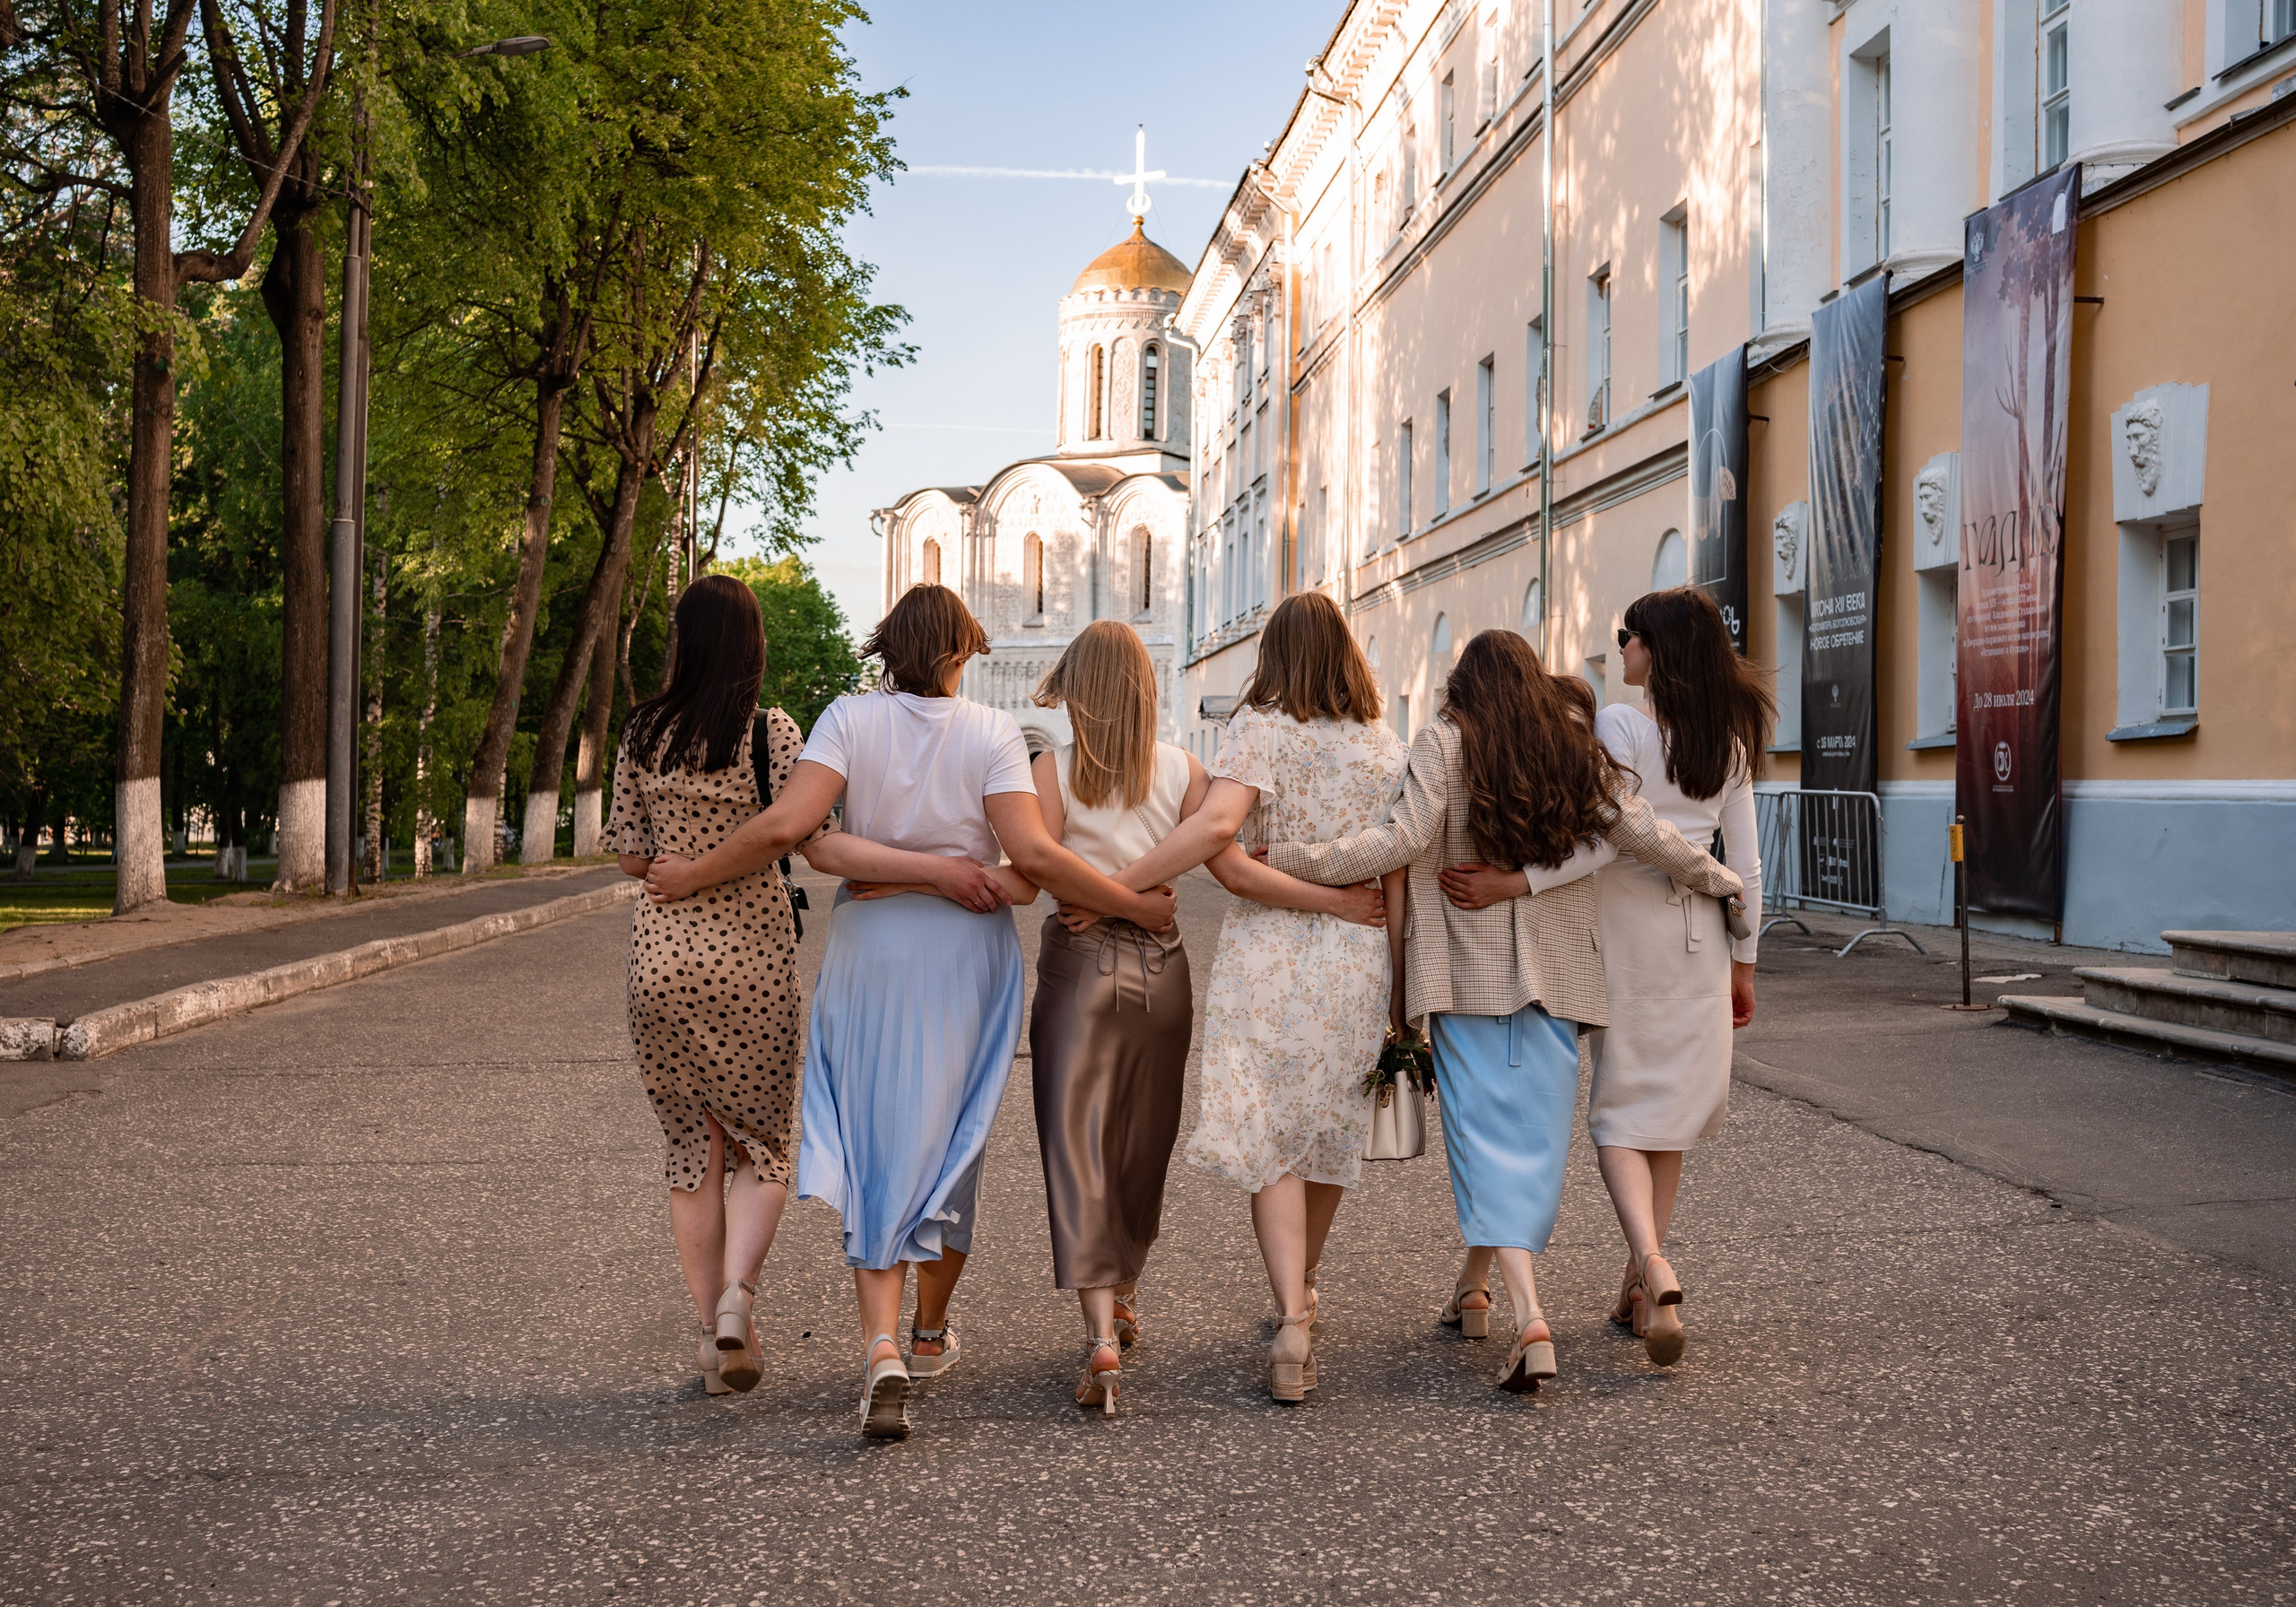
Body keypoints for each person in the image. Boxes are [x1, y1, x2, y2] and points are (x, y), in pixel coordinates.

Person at [642, 583, 1177, 1440]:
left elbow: (809, 839)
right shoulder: (995, 733)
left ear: (885, 647)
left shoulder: (847, 719)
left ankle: (882, 1344)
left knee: (879, 1143)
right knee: (950, 1145)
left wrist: (897, 872)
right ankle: (926, 1333)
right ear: (961, 653)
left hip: (873, 953)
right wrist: (976, 877)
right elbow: (1028, 866)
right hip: (966, 958)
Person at [1265, 628, 1743, 1393]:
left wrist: (1287, 858)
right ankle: (1476, 1288)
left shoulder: (1442, 743)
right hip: (1558, 983)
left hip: (1466, 978)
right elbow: (1640, 831)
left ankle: (1530, 1319)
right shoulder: (1571, 745)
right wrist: (1717, 875)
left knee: (1485, 1152)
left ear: (1464, 683)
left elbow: (1396, 841)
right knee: (1528, 1147)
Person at [1021, 621, 1387, 1415]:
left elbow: (1047, 866)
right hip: (1205, 964)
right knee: (1154, 1140)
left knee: (1082, 1145)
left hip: (1101, 960)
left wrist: (1102, 892)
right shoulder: (1198, 768)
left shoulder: (1052, 769)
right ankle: (1172, 1292)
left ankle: (1104, 1333)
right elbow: (1241, 862)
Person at [1442, 588, 1768, 1367]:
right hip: (1704, 940)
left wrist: (1516, 883)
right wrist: (1747, 963)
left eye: (1628, 635)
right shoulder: (1732, 740)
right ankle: (1636, 1278)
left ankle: (1654, 1266)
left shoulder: (1621, 725)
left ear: (1656, 650)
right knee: (1671, 1112)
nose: (1619, 646)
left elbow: (1605, 841)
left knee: (1621, 1111)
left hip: (1627, 934)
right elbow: (1747, 865)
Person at [608, 575, 828, 1399]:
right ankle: (740, 1296)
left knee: (691, 1147)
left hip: (660, 958)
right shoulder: (770, 732)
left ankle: (713, 1340)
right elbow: (807, 830)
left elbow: (629, 853)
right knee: (763, 1144)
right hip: (752, 958)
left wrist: (675, 862)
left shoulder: (642, 733)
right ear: (753, 644)